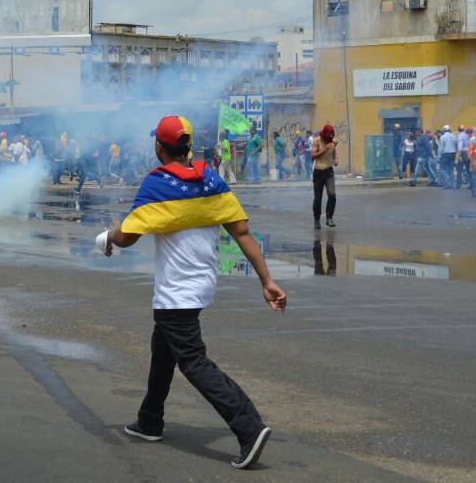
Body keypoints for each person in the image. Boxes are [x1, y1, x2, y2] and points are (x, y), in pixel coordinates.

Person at [96, 115, 286, 470]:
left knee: (193, 362)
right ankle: (150, 421)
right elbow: (242, 232)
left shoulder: (157, 183)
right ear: (188, 145)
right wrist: (266, 280)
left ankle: (249, 426)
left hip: (176, 292)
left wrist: (109, 236)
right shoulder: (210, 179)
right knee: (162, 350)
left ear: (159, 147)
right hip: (201, 285)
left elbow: (128, 236)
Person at [311, 124, 338, 229]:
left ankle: (329, 218)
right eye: (328, 138)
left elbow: (334, 151)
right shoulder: (317, 141)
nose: (329, 140)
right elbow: (313, 156)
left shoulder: (334, 141)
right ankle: (317, 220)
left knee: (332, 194)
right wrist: (324, 150)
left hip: (329, 171)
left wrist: (336, 159)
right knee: (318, 198)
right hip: (318, 172)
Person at [438, 125, 457, 189]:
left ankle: (447, 178)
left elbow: (440, 148)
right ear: (450, 129)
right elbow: (456, 146)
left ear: (444, 130)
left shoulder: (442, 137)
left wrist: (439, 156)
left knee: (442, 169)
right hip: (453, 154)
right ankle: (451, 184)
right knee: (451, 169)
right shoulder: (454, 136)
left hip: (445, 155)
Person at [456, 126, 471, 190]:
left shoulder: (460, 136)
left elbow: (459, 148)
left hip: (462, 153)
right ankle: (471, 184)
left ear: (458, 130)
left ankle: (458, 185)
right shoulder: (466, 135)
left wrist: (457, 158)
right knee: (468, 170)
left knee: (459, 170)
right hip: (468, 153)